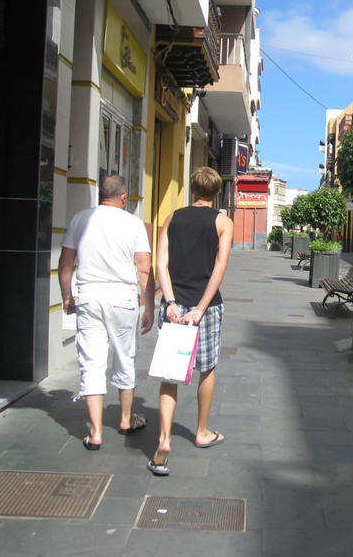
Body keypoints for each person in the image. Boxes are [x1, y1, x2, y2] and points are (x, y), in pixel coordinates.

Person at [58, 175, 155, 450]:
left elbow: (65, 263)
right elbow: (144, 268)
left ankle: (96, 432)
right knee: (125, 358)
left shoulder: (80, 219)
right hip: (123, 299)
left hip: (89, 297)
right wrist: (148, 307)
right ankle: (126, 419)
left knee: (91, 361)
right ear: (123, 197)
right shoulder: (134, 224)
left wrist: (68, 296)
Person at [148, 166, 233, 476]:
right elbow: (219, 269)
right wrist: (200, 307)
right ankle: (202, 430)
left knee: (170, 373)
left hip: (175, 303)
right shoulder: (223, 222)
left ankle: (164, 438)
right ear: (217, 192)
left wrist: (170, 302)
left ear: (192, 189)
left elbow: (161, 262)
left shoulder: (173, 218)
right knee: (206, 367)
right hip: (206, 307)